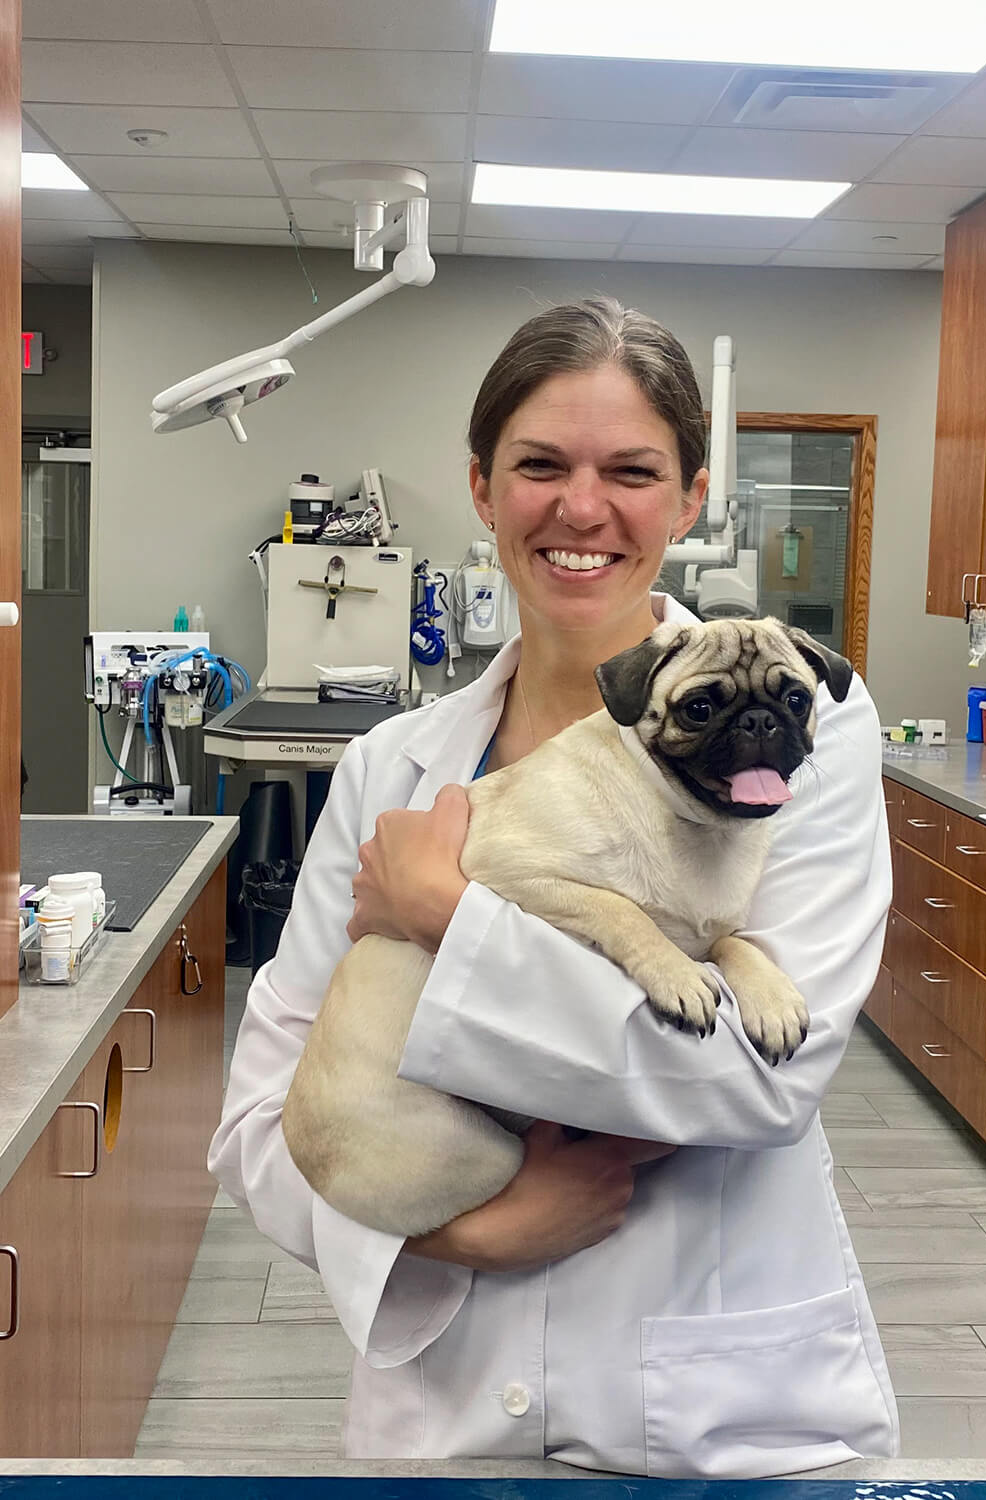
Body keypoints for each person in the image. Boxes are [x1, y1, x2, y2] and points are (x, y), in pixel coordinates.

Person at [209, 296, 899, 1477]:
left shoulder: (803, 737)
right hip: (448, 1407)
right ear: (482, 489)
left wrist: (446, 916)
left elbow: (751, 1078)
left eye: (632, 470)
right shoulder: (395, 768)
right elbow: (258, 1134)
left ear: (689, 499)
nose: (582, 508)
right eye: (540, 465)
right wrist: (468, 1235)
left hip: (719, 1413)